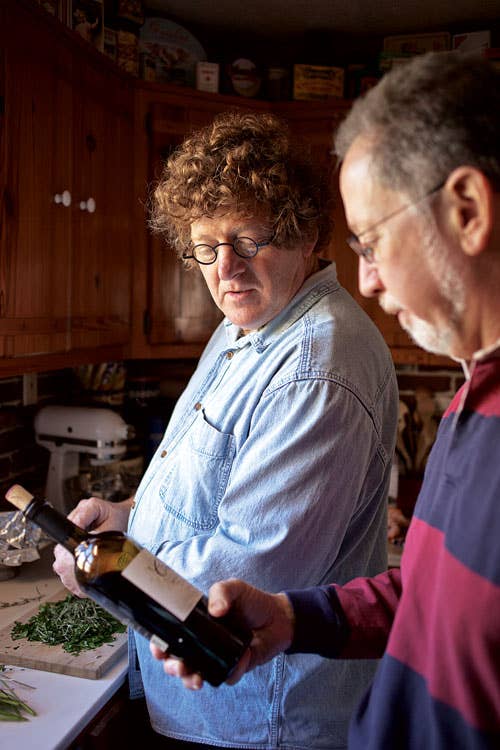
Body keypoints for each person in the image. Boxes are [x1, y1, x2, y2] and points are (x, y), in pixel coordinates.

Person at [153, 53, 500, 748]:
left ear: (467, 211)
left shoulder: (324, 359)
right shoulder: (475, 401)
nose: (365, 281)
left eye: (371, 241)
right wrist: (296, 618)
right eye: (206, 249)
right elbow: (429, 600)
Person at [53, 111, 398, 749]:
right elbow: (210, 484)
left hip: (261, 723)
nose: (224, 270)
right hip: (216, 710)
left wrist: (103, 569)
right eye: (205, 248)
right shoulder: (250, 324)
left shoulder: (315, 366)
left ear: (307, 232)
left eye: (247, 239)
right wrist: (130, 513)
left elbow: (244, 574)